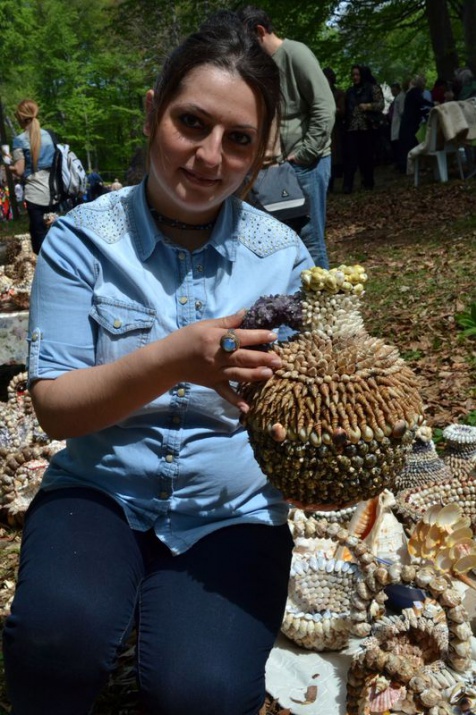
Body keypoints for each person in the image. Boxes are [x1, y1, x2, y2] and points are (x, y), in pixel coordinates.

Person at [2, 12, 314, 715]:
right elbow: (54, 408)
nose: (209, 157)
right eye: (191, 123)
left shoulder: (282, 257)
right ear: (153, 112)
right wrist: (178, 358)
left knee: (202, 692)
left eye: (239, 140)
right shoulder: (81, 242)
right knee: (55, 641)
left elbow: (301, 400)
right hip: (101, 487)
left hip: (231, 508)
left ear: (262, 149)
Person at [239, 6, 336, 268]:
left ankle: (323, 306)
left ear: (260, 32)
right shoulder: (265, 65)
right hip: (281, 168)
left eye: (248, 41)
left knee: (311, 238)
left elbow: (325, 107)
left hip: (307, 163)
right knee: (286, 240)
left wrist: (306, 153)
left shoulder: (295, 53)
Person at [8, 100, 59, 254]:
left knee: (39, 236)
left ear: (20, 117)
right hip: (53, 191)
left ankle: (45, 270)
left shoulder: (19, 140)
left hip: (35, 194)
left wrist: (8, 164)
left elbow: (19, 170)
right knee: (54, 231)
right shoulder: (50, 135)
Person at [342, 64, 385, 193]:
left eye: (357, 74)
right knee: (351, 157)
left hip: (368, 127)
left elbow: (381, 104)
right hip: (352, 128)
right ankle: (348, 185)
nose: (355, 77)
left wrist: (368, 106)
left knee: (367, 157)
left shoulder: (373, 88)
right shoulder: (350, 91)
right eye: (353, 75)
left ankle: (368, 182)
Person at [397, 74, 433, 173]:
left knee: (408, 144)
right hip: (410, 123)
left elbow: (416, 108)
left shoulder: (411, 93)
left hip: (408, 122)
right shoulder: (415, 92)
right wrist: (433, 105)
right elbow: (421, 103)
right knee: (411, 144)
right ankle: (410, 168)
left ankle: (409, 167)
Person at [323, 67, 346, 192]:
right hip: (324, 129)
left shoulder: (339, 94)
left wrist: (331, 110)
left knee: (334, 157)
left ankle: (332, 184)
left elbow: (342, 111)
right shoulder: (319, 94)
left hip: (336, 130)